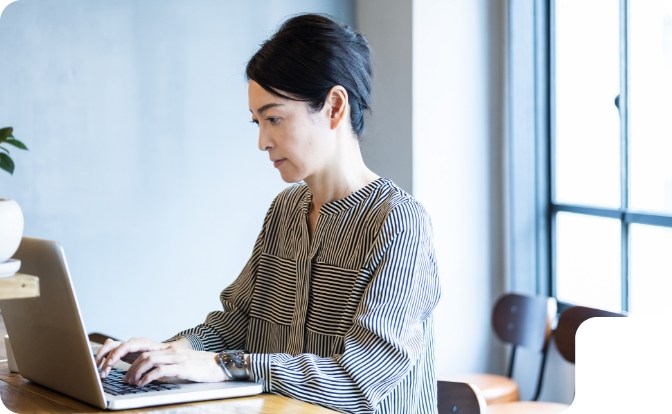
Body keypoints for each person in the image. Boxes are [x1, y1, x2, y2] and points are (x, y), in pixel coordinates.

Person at [95, 12, 441, 413]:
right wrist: (171, 352)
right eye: (257, 122)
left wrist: (223, 367)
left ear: (334, 106)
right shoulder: (285, 211)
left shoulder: (399, 223)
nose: (262, 141)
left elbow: (358, 379)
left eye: (274, 118)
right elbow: (237, 323)